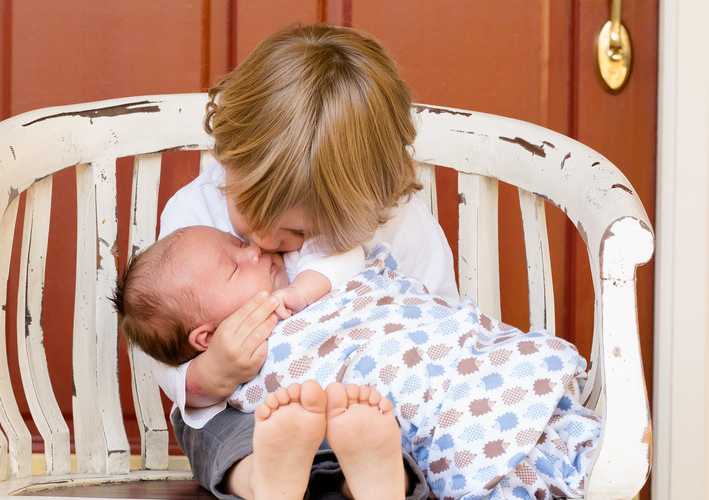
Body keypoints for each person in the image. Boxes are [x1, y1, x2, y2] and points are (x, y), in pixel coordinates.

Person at [151, 23, 459, 499]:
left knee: (392, 434)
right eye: (249, 214)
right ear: (229, 160)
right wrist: (211, 372)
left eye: (299, 233)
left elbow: (441, 325)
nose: (264, 241)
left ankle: (379, 480)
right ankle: (263, 479)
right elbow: (166, 338)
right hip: (255, 415)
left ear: (368, 201)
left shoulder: (400, 225)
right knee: (215, 432)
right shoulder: (194, 215)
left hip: (371, 405)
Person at [116, 226, 600, 499]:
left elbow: (365, 277)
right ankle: (324, 480)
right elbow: (188, 386)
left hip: (437, 366)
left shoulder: (308, 260)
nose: (253, 249)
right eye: (233, 263)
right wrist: (216, 372)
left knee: (370, 406)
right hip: (330, 412)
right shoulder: (190, 231)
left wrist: (302, 291)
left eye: (238, 243)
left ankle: (366, 480)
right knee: (207, 420)